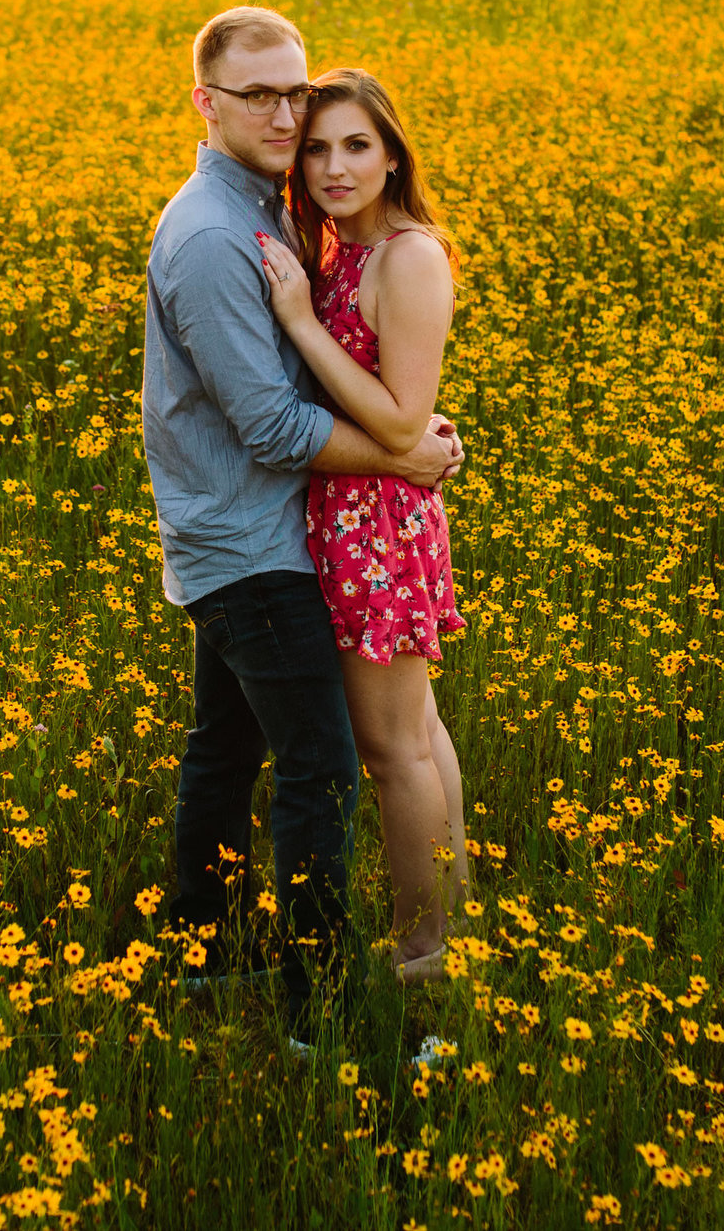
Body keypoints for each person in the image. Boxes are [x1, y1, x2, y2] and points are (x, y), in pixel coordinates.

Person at [143, 7, 464, 1046]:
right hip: (255, 541)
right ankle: (312, 1005)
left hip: (312, 529)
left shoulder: (286, 219)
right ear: (206, 102)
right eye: (268, 101)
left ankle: (232, 959)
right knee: (329, 765)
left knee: (274, 750)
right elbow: (280, 421)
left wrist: (405, 443)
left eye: (303, 99)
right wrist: (409, 453)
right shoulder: (215, 233)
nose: (293, 124)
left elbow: (381, 388)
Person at [256, 70, 471, 985]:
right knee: (417, 732)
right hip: (354, 518)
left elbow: (397, 420)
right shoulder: (345, 248)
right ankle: (453, 936)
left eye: (355, 145)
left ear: (392, 155)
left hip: (377, 528)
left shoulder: (409, 257)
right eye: (316, 147)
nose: (335, 166)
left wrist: (301, 322)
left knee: (392, 752)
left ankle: (425, 955)